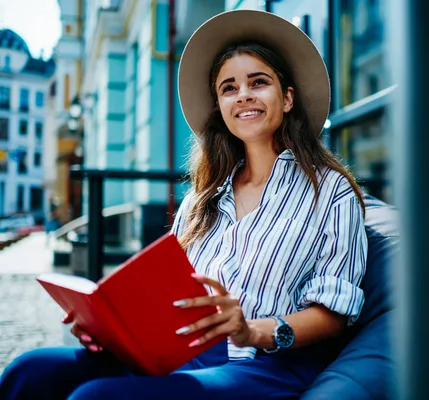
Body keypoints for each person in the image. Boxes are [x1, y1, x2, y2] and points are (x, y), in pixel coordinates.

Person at [0, 9, 367, 400]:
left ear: (288, 98)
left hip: (269, 365)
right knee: (30, 371)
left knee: (96, 397)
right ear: (221, 107)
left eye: (258, 82)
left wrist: (251, 329)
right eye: (228, 88)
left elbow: (334, 312)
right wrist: (109, 327)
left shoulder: (331, 192)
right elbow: (169, 298)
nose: (243, 94)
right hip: (188, 356)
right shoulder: (203, 197)